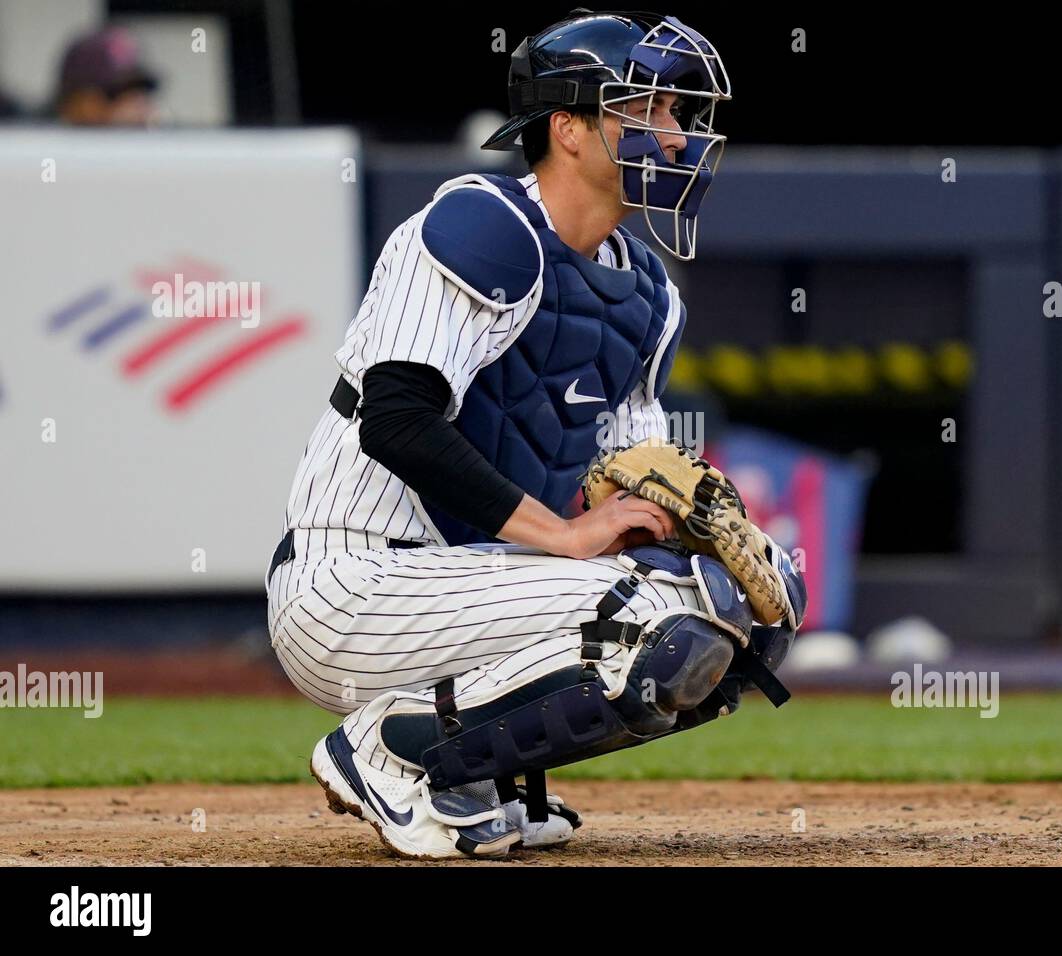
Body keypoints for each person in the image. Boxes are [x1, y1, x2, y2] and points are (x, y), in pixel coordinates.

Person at [266, 10, 802, 860]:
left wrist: (707, 530)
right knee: (659, 623)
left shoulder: (648, 296)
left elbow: (624, 479)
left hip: (470, 585)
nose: (675, 136)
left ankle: (463, 772)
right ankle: (390, 750)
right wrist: (564, 533)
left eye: (678, 114)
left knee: (737, 618)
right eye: (648, 110)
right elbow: (396, 419)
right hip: (355, 580)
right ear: (569, 127)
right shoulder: (483, 227)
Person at [54, 26, 159, 127]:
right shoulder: (45, 141)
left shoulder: (151, 137)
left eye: (140, 93)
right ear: (75, 103)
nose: (135, 110)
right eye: (115, 93)